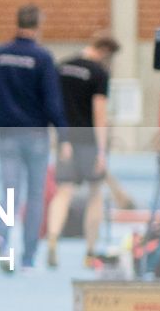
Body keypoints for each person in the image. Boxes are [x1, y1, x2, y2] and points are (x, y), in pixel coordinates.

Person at [0, 4, 69, 272]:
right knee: (36, 195)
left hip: (7, 135)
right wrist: (63, 136)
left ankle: (0, 239)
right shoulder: (42, 58)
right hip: (36, 136)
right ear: (38, 25)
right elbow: (52, 102)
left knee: (9, 192)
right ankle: (28, 255)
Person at [45, 30, 119, 269]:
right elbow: (100, 114)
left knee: (63, 191)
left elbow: (53, 106)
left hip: (65, 139)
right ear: (105, 52)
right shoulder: (99, 73)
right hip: (88, 140)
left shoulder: (62, 67)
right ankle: (89, 250)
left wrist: (60, 138)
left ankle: (53, 238)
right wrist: (101, 151)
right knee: (95, 193)